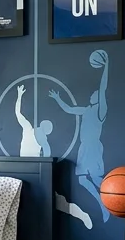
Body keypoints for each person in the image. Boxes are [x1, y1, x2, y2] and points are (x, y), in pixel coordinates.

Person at [48, 51, 110, 222]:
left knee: (97, 179)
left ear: (98, 98)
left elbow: (103, 87)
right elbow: (69, 109)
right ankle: (104, 205)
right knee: (83, 180)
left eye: (95, 93)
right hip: (84, 146)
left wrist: (106, 67)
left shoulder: (100, 110)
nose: (92, 94)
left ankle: (110, 201)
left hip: (93, 146)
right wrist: (57, 98)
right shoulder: (86, 110)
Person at [13, 84, 54, 157]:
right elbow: (18, 113)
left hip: (34, 165)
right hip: (25, 163)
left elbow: (18, 113)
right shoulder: (28, 128)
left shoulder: (41, 138)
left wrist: (19, 96)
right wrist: (19, 96)